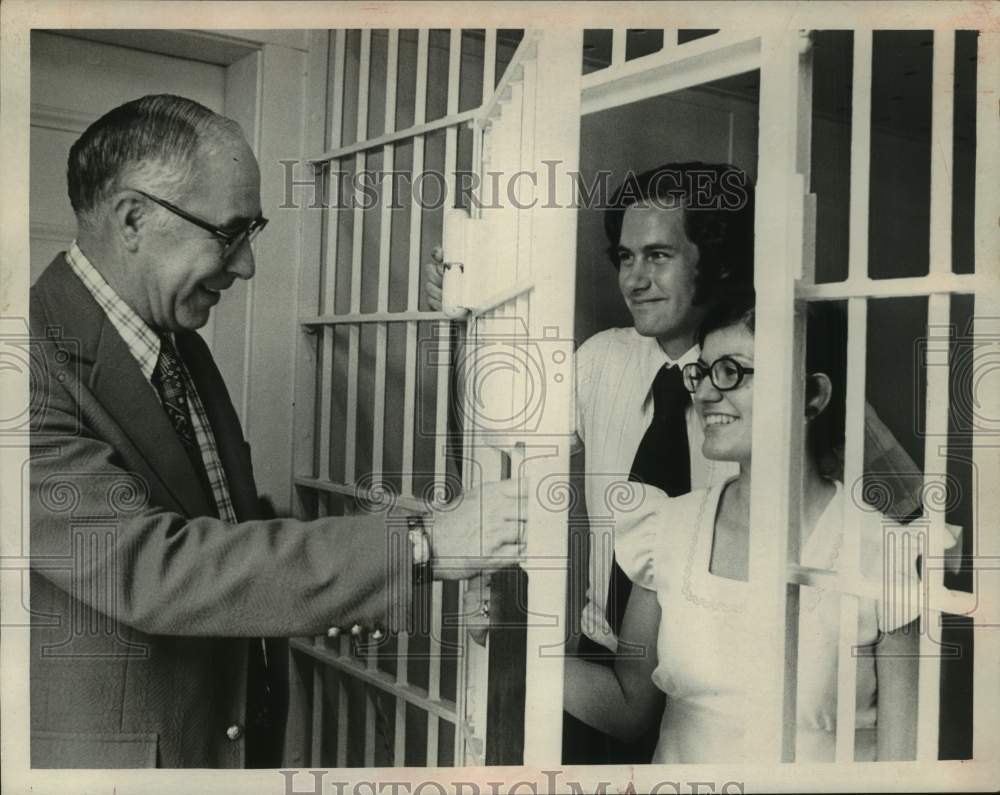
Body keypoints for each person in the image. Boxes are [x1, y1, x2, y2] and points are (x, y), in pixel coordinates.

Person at [29, 94, 525, 769]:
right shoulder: (24, 362)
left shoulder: (172, 338)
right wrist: (418, 547)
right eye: (229, 232)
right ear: (133, 218)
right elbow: (154, 567)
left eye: (250, 233)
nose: (246, 265)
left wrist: (345, 567)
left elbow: (218, 523)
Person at [426, 162, 925, 762]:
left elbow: (901, 526)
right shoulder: (599, 361)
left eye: (658, 255)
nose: (634, 279)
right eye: (624, 258)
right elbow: (490, 449)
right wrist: (467, 328)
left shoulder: (792, 379)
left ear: (713, 262)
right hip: (611, 668)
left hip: (773, 677)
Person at [563, 298, 928, 762]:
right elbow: (629, 705)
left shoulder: (883, 549)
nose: (705, 394)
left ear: (812, 396)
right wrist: (518, 643)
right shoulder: (667, 527)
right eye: (704, 371)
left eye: (732, 371)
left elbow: (902, 766)